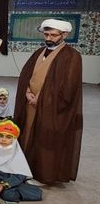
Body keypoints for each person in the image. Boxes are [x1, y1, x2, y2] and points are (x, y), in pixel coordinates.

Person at [14, 18, 83, 185]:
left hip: (51, 108)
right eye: (46, 34)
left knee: (46, 138)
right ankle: (26, 168)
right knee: (28, 134)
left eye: (53, 35)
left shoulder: (72, 56)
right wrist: (27, 91)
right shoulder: (39, 52)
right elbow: (26, 76)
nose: (49, 38)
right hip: (30, 103)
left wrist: (43, 98)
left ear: (64, 34)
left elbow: (69, 88)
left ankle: (43, 176)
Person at [0, 120, 42, 202]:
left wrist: (4, 185)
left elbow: (20, 174)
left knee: (8, 195)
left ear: (14, 139)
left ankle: (4, 192)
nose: (3, 139)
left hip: (10, 181)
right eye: (1, 136)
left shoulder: (17, 152)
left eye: (8, 137)